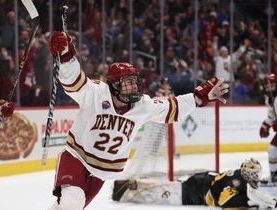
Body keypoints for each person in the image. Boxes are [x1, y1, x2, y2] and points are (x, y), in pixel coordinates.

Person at [47, 31, 229, 210]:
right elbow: (74, 82)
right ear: (115, 84)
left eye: (135, 81)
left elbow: (170, 107)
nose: (134, 85)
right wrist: (66, 57)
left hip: (101, 171)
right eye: (128, 82)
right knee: (73, 201)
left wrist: (198, 98)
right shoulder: (95, 93)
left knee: (69, 206)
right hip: (76, 156)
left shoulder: (142, 106)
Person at [112, 158, 277, 209]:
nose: (257, 176)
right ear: (247, 172)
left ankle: (126, 187)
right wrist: (250, 203)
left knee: (164, 192)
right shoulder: (236, 180)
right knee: (161, 195)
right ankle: (123, 189)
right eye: (255, 173)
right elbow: (224, 202)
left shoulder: (238, 177)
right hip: (193, 191)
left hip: (197, 185)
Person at [259, 73, 277, 185]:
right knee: (272, 150)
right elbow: (271, 117)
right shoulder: (270, 100)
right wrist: (264, 126)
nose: (269, 88)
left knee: (273, 149)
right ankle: (274, 176)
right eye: (267, 86)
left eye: (272, 85)